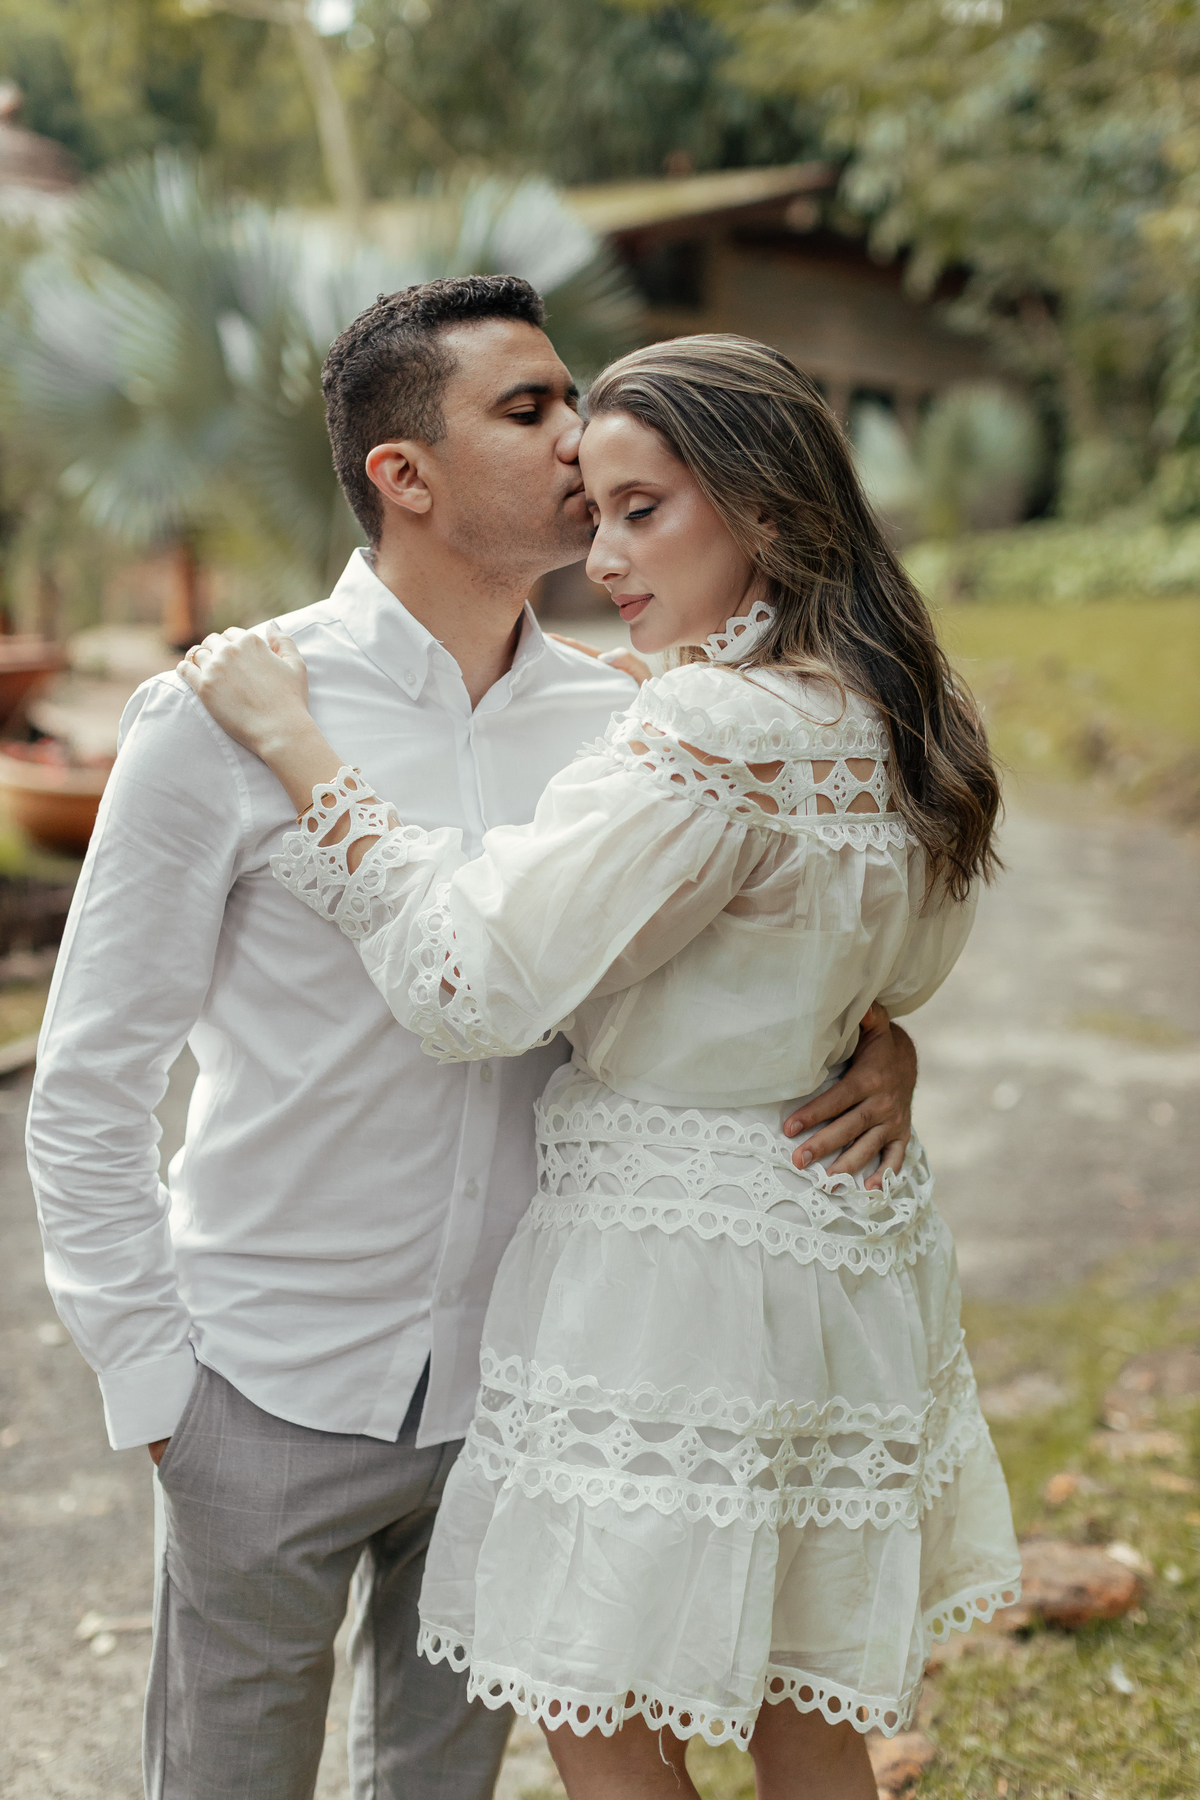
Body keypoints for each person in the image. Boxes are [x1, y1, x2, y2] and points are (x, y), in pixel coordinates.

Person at [27, 284, 918, 1800]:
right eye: (529, 409)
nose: (580, 438)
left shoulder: (632, 723)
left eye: (574, 400)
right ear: (404, 474)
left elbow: (734, 958)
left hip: (530, 1386)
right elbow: (91, 1077)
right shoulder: (230, 713)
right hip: (264, 1385)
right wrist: (155, 1385)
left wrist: (876, 1037)